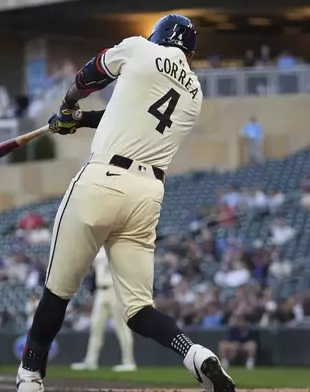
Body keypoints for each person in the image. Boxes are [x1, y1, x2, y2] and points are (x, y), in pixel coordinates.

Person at [15, 14, 235, 392]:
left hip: (102, 180)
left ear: (159, 35)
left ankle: (31, 376)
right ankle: (194, 354)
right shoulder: (195, 93)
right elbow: (128, 115)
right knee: (139, 309)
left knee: (57, 292)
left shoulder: (140, 48)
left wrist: (68, 106)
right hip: (147, 196)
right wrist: (80, 121)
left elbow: (90, 74)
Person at [70, 248, 136, 372]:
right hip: (100, 292)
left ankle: (129, 362)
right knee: (96, 327)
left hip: (115, 289)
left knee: (122, 327)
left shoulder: (119, 246)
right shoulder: (98, 249)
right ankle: (91, 361)